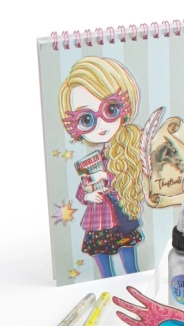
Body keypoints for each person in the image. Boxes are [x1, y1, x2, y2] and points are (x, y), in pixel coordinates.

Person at [58, 56, 144, 277]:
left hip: (121, 219)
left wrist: (106, 175)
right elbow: (82, 189)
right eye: (86, 120)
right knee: (105, 273)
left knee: (131, 268)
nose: (102, 124)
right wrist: (88, 195)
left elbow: (130, 179)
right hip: (97, 221)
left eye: (111, 109)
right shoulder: (91, 162)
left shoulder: (125, 152)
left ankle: (137, 285)